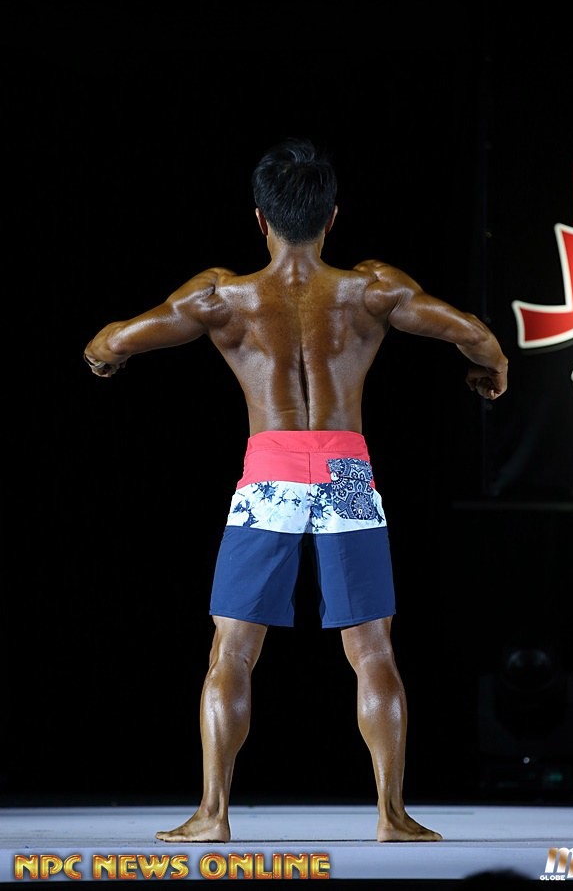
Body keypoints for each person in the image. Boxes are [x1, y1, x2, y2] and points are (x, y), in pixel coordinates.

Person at [83, 137, 508, 844]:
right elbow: (476, 335)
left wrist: (104, 358)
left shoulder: (223, 296)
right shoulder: (372, 289)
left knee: (232, 652)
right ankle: (391, 815)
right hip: (346, 471)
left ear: (260, 218)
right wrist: (491, 372)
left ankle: (213, 814)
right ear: (332, 216)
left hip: (270, 471)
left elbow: (115, 340)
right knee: (373, 652)